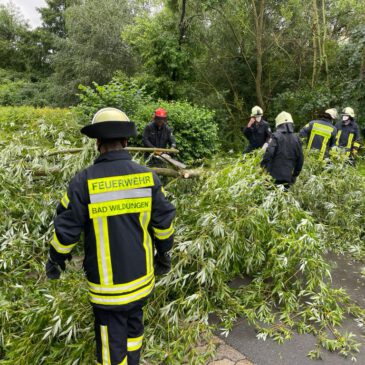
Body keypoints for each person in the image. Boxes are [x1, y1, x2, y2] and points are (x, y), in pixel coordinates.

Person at [46, 107, 176, 365]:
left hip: (107, 289)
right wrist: (164, 254)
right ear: (126, 142)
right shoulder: (147, 177)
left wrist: (55, 261)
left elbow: (66, 231)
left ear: (97, 144)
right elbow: (163, 224)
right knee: (133, 332)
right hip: (141, 279)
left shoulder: (82, 182)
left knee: (110, 347)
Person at [261, 111, 304, 188]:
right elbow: (300, 159)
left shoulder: (275, 136)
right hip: (287, 177)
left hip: (272, 177)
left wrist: (262, 167)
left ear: (278, 124)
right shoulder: (297, 139)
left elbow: (269, 153)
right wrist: (295, 175)